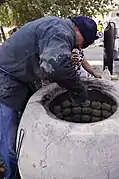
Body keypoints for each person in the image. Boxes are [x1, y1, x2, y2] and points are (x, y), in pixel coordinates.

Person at [0, 16, 98, 179]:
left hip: (20, 77)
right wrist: (78, 89)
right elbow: (56, 66)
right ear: (79, 31)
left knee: (26, 129)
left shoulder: (58, 27)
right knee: (9, 138)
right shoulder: (60, 31)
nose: (79, 47)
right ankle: (12, 175)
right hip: (5, 79)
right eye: (84, 43)